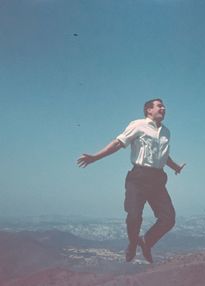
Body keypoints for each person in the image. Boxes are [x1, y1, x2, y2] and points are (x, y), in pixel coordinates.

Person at [77, 99, 185, 263]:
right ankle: (133, 243)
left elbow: (163, 155)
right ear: (148, 110)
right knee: (134, 216)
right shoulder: (138, 125)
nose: (163, 108)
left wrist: (175, 166)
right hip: (138, 178)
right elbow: (118, 143)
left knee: (169, 218)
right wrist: (95, 157)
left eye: (164, 106)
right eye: (159, 106)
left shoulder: (166, 132)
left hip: (157, 179)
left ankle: (146, 242)